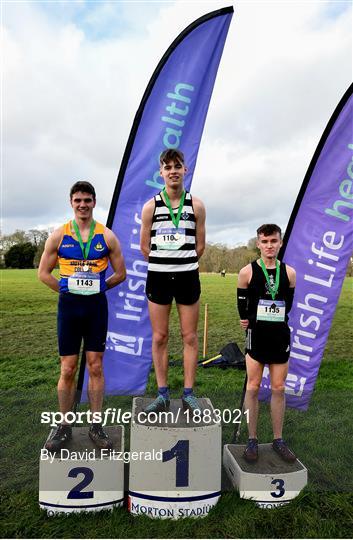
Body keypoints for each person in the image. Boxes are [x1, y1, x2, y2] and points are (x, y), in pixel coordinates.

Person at [38, 181, 126, 451]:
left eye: (87, 200)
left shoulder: (107, 236)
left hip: (96, 308)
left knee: (95, 366)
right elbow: (43, 273)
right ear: (71, 203)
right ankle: (64, 426)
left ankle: (96, 425)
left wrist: (101, 287)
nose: (83, 205)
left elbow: (121, 273)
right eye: (78, 200)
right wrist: (64, 290)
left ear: (94, 202)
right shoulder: (59, 236)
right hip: (69, 308)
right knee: (67, 368)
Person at [140, 149, 206, 414]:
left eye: (177, 166)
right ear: (161, 173)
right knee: (160, 336)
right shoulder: (151, 206)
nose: (173, 171)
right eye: (168, 167)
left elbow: (200, 245)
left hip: (188, 276)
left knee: (189, 336)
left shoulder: (197, 205)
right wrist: (164, 262)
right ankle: (163, 394)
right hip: (158, 277)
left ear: (185, 170)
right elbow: (145, 247)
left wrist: (182, 261)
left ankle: (189, 394)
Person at [237, 224, 297, 462]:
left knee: (278, 387)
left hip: (279, 335)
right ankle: (252, 440)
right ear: (258, 244)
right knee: (252, 386)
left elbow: (287, 306)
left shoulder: (290, 273)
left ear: (280, 243)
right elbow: (242, 305)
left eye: (274, 241)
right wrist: (246, 319)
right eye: (265, 241)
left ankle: (278, 439)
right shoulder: (247, 272)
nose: (269, 246)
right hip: (257, 335)